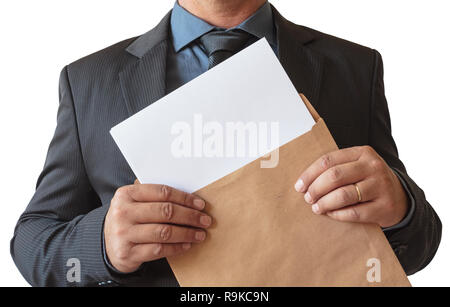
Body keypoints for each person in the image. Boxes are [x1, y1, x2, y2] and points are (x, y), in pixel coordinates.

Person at [11, 0, 441, 286]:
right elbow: (33, 240)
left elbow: (418, 245)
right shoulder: (90, 80)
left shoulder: (354, 66)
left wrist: (400, 209)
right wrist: (103, 242)